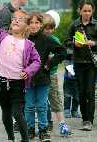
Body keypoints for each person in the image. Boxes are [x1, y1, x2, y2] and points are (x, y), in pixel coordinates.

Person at [0, 6, 41, 142]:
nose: (16, 21)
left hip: (17, 83)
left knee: (17, 112)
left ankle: (25, 139)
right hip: (1, 82)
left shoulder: (28, 44)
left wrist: (28, 71)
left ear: (26, 26)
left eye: (20, 19)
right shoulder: (2, 35)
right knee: (5, 112)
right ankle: (10, 137)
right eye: (14, 18)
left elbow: (37, 61)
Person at [64, 0, 97, 131]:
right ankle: (85, 119)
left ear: (92, 11)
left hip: (92, 63)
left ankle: (89, 120)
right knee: (81, 91)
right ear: (79, 11)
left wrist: (94, 43)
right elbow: (66, 41)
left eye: (89, 10)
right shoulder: (74, 25)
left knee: (90, 90)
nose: (87, 13)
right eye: (84, 11)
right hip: (78, 62)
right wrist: (74, 44)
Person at [25, 12, 66, 141]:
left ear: (41, 25)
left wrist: (50, 64)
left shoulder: (47, 39)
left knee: (42, 106)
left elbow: (62, 51)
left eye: (36, 23)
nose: (33, 25)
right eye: (31, 23)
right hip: (27, 78)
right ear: (27, 25)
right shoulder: (23, 39)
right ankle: (30, 129)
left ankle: (43, 130)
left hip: (43, 78)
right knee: (29, 106)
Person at [42, 14, 71, 136]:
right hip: (39, 75)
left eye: (51, 28)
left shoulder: (55, 40)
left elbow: (60, 54)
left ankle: (62, 123)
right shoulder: (38, 40)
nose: (48, 31)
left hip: (52, 74)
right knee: (41, 101)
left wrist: (50, 58)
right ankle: (44, 124)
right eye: (46, 28)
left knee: (55, 99)